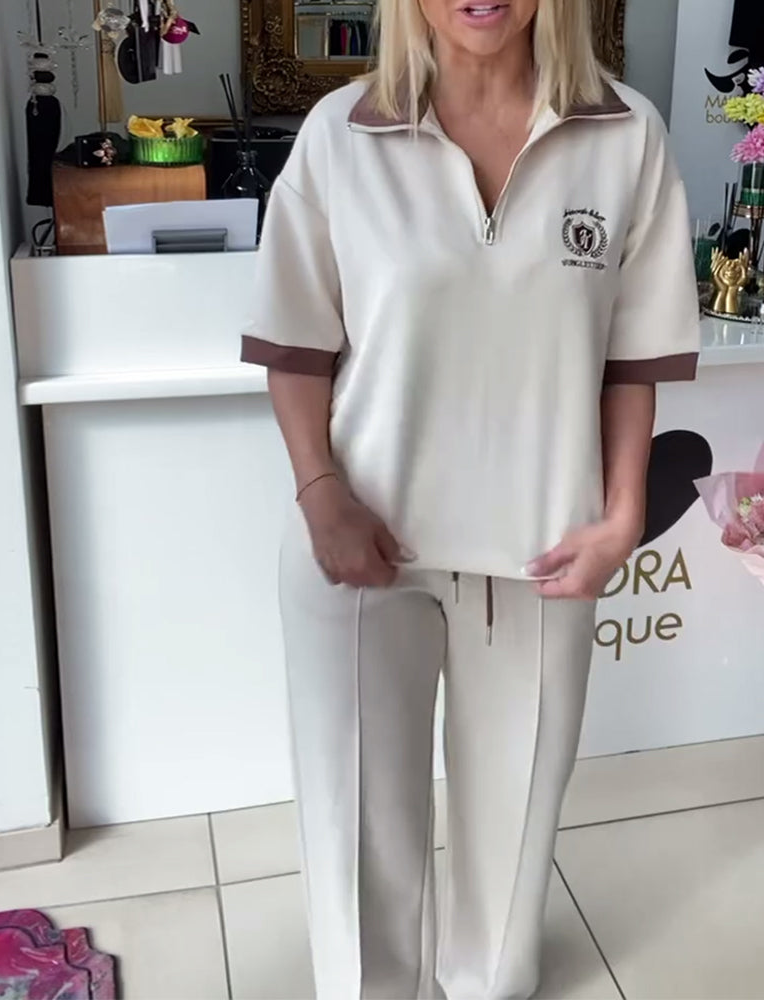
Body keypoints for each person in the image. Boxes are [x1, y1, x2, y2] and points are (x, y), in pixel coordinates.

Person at [241, 0, 700, 995]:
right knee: (359, 840)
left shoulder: (625, 135)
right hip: (361, 548)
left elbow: (631, 361)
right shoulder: (342, 135)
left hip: (542, 555)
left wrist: (622, 516)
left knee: (507, 887)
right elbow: (295, 346)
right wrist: (319, 493)